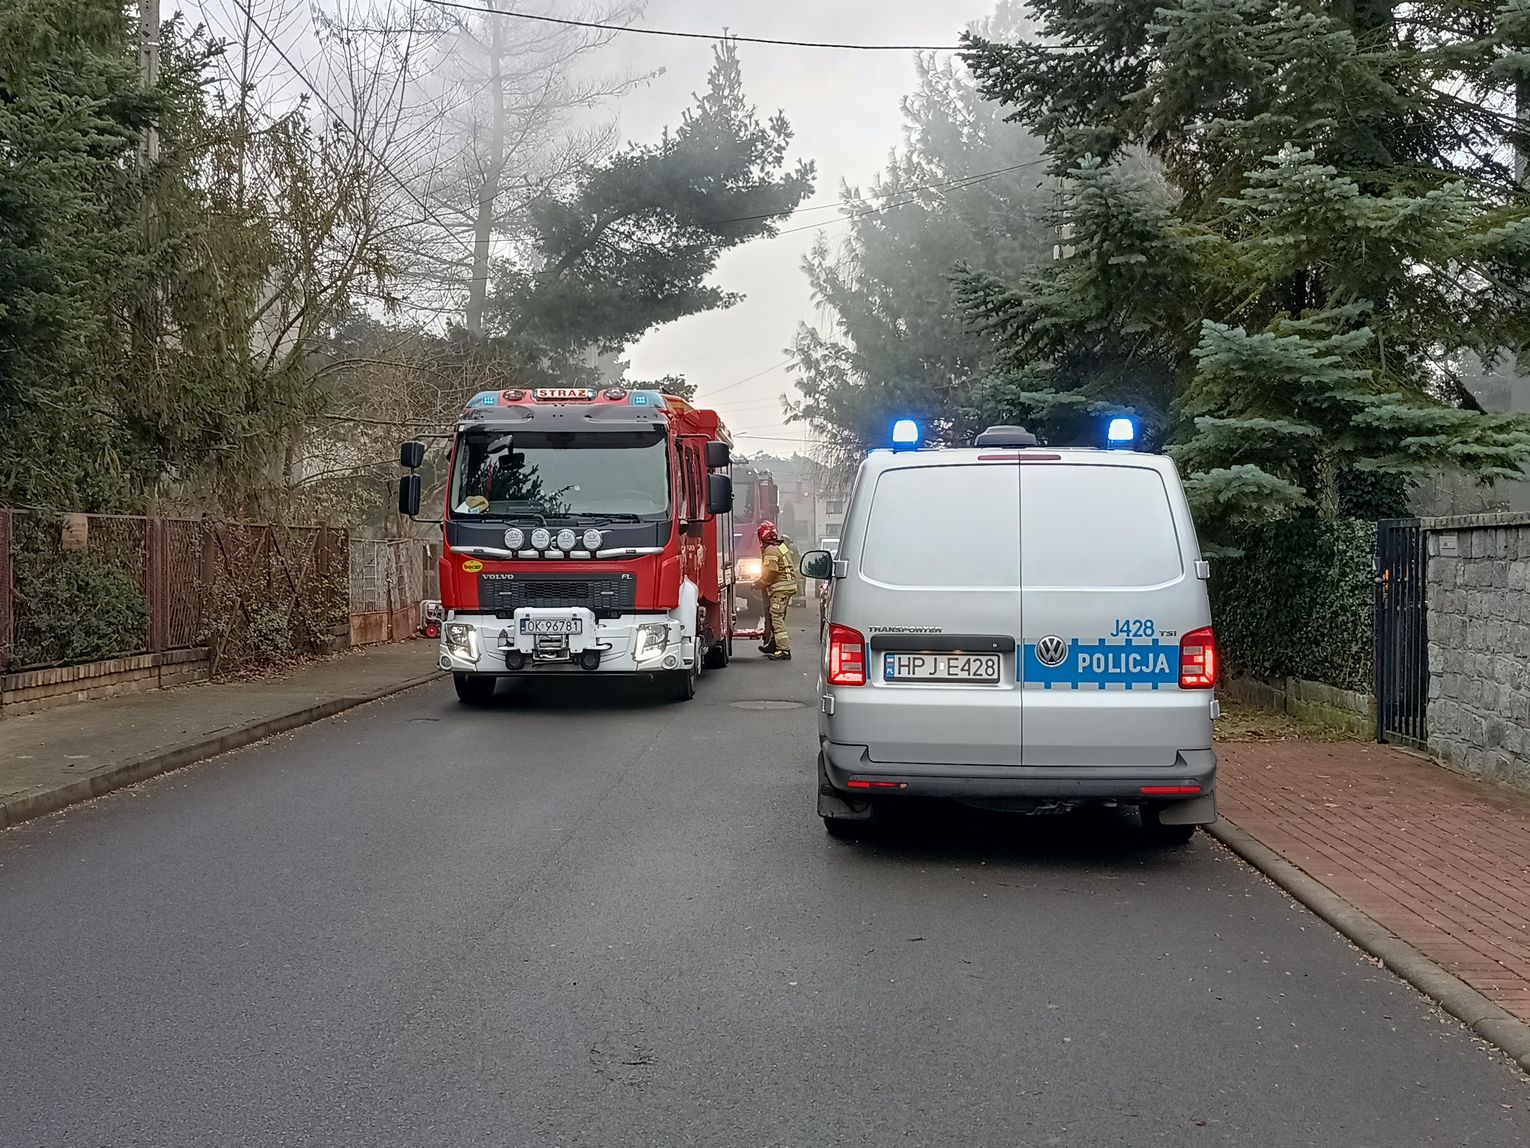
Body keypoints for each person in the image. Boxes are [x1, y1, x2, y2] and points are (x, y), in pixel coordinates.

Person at [756, 521, 796, 661]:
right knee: (777, 615)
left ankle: (784, 650)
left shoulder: (770, 550)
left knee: (776, 617)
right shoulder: (782, 547)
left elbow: (771, 573)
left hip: (780, 588)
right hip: (788, 585)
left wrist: (759, 583)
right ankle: (773, 644)